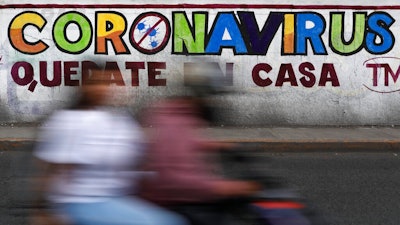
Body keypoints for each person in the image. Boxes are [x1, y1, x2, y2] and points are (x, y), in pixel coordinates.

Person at [32, 65, 188, 225]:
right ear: (84, 87)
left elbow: (141, 161)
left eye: (110, 82)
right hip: (80, 202)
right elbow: (51, 170)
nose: (105, 88)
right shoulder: (68, 121)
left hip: (120, 200)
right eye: (97, 82)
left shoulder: (122, 121)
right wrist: (42, 210)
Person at [138, 75, 262, 225]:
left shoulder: (180, 115)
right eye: (213, 98)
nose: (217, 105)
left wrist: (224, 146)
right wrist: (226, 187)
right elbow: (175, 179)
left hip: (184, 198)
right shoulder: (175, 123)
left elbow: (185, 143)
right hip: (177, 204)